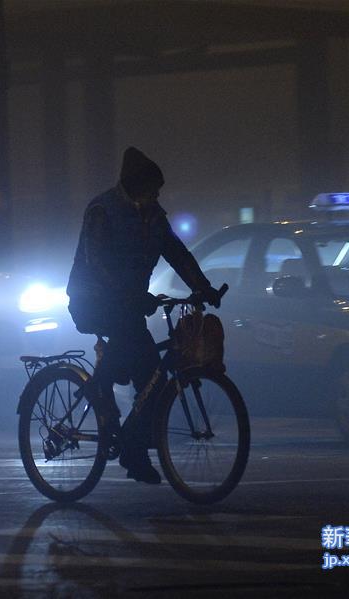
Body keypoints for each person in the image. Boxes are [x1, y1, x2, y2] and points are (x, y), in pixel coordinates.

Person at [66, 147, 219, 484]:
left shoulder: (153, 217)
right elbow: (97, 263)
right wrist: (130, 294)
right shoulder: (103, 211)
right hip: (94, 301)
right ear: (137, 186)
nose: (157, 195)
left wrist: (202, 287)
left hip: (129, 305)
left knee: (153, 378)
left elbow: (177, 253)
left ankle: (132, 446)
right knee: (140, 361)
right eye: (153, 188)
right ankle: (106, 405)